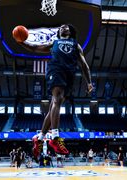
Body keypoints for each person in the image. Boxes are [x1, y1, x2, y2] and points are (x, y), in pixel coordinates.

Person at [17, 24, 93, 161]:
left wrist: (89, 82)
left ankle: (39, 138)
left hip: (69, 75)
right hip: (56, 70)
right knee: (57, 99)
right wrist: (22, 42)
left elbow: (84, 65)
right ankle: (55, 137)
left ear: (70, 31)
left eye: (66, 26)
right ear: (59, 32)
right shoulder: (54, 42)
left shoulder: (76, 45)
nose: (64, 27)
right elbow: (35, 48)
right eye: (61, 27)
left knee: (54, 104)